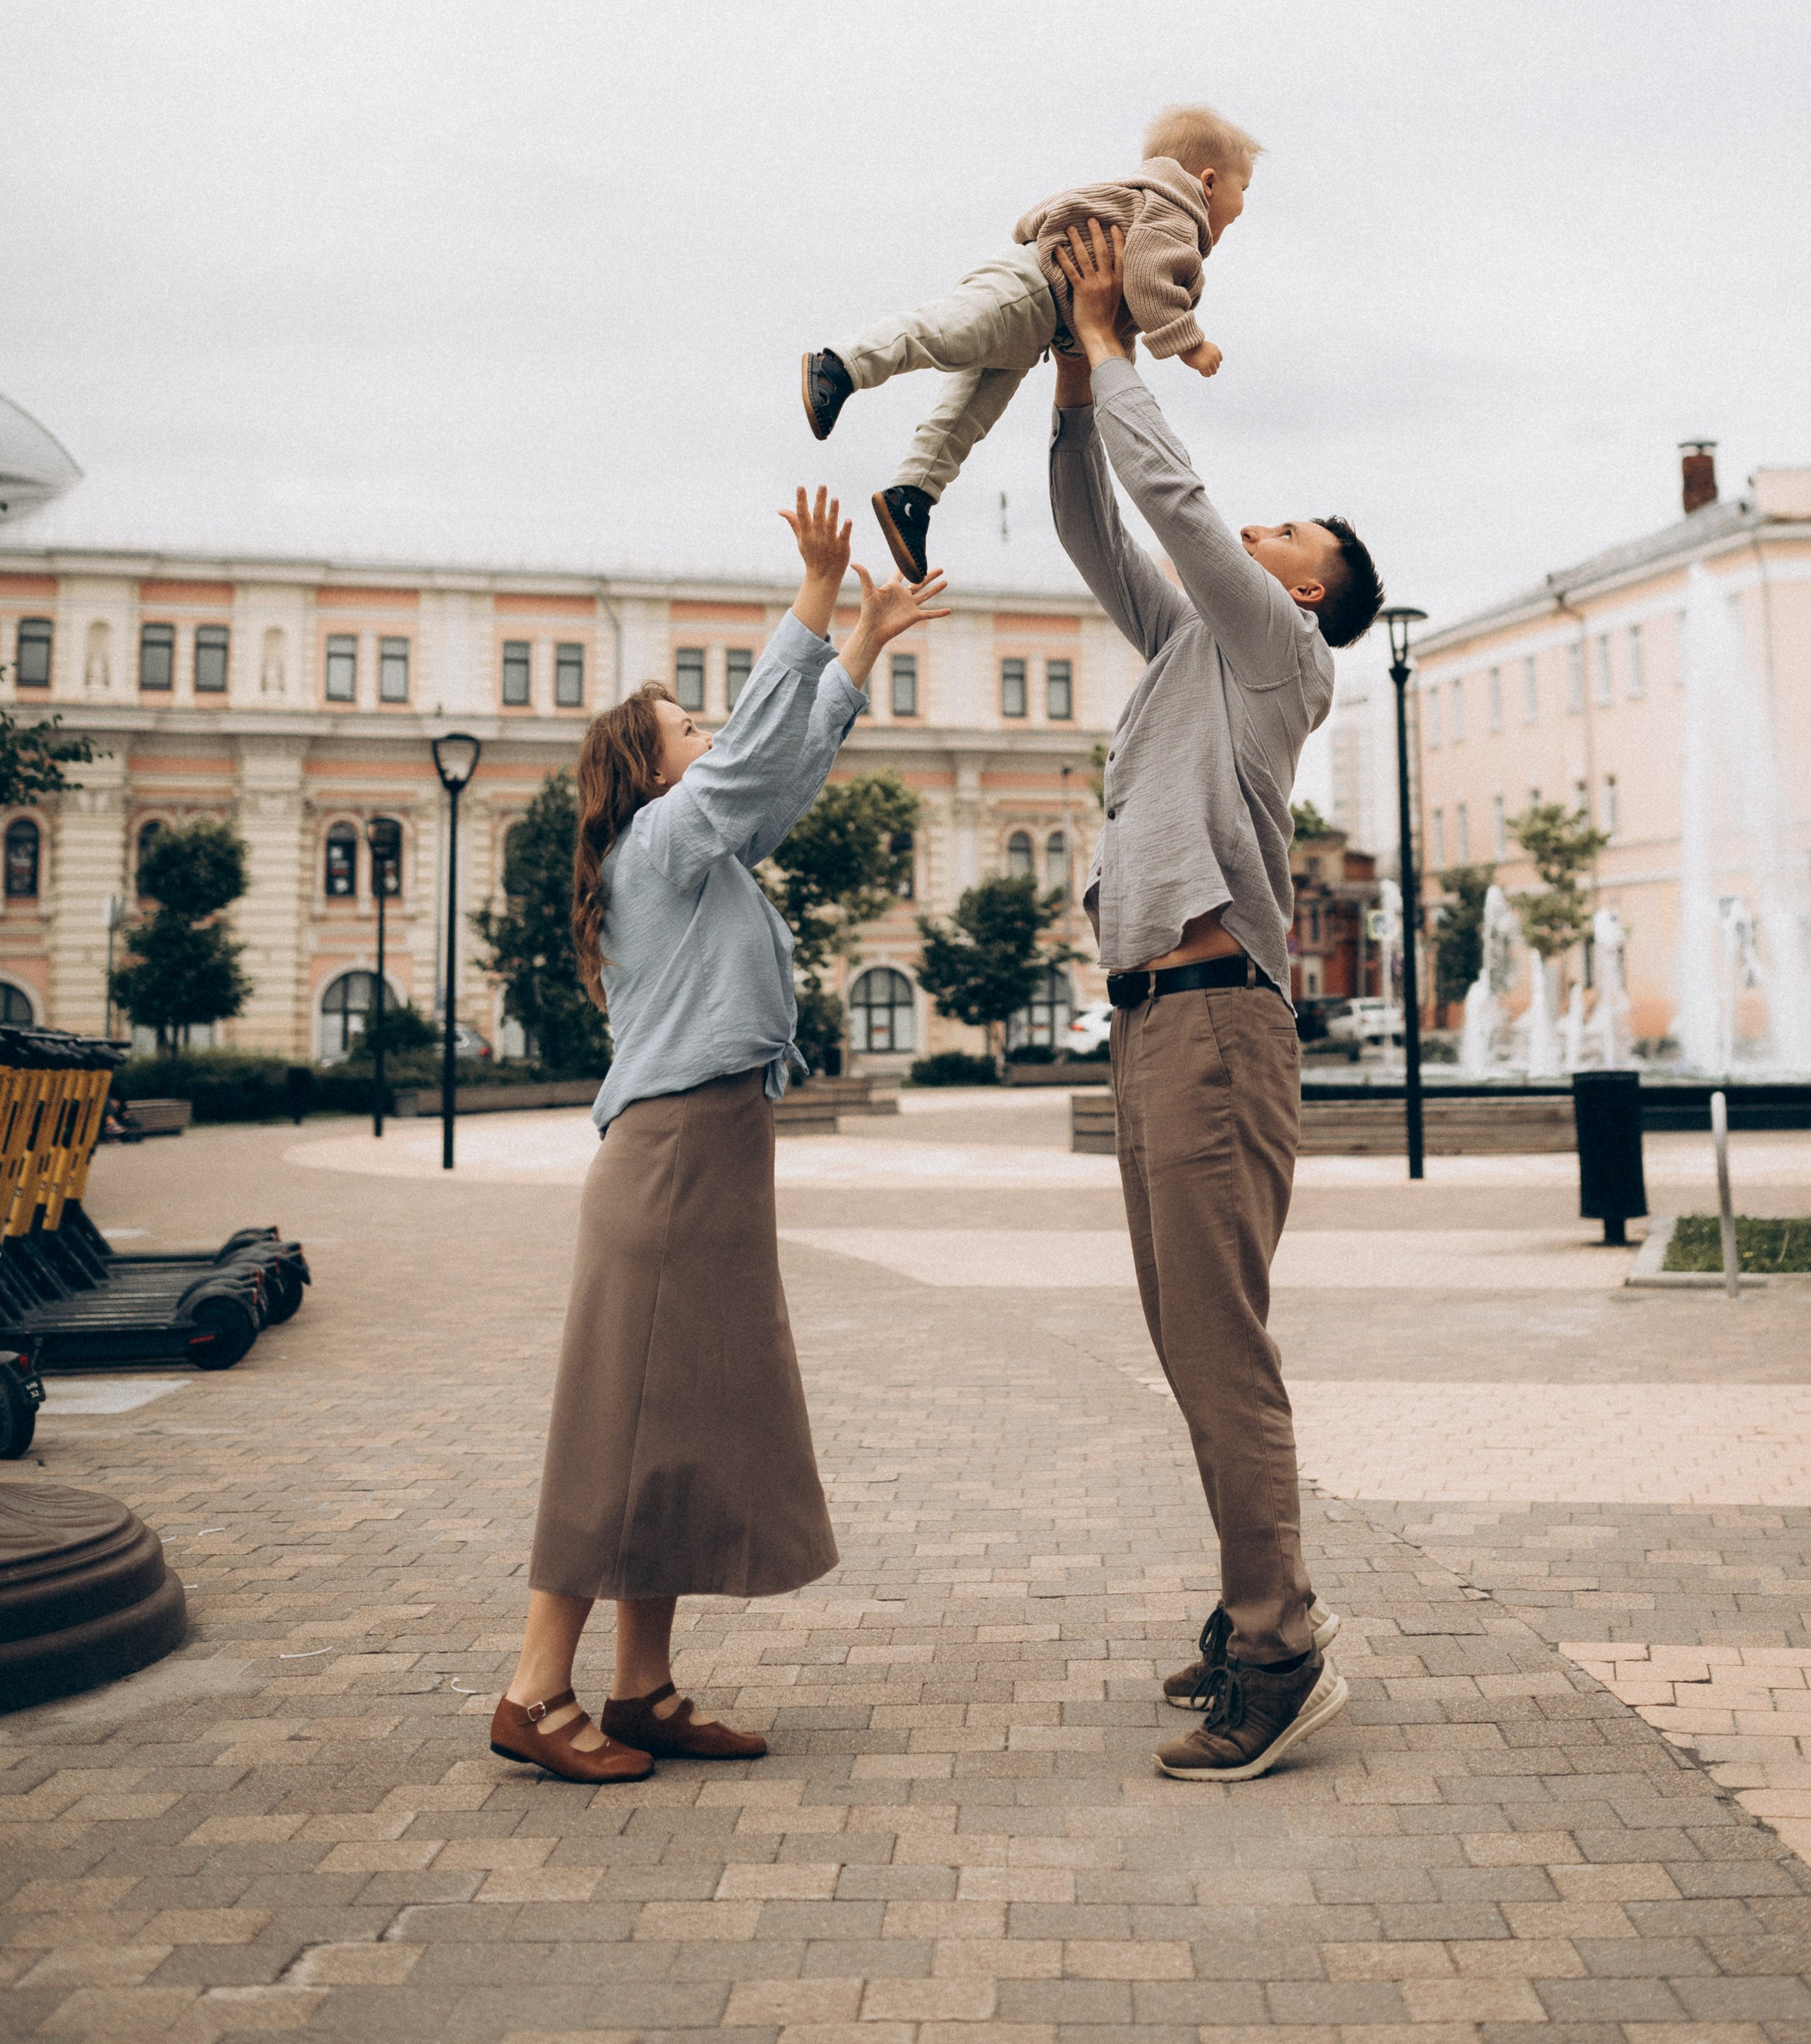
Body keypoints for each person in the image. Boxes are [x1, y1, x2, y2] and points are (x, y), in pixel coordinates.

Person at [490, 489, 947, 1783]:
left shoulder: (707, 852)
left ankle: (641, 1687)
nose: (711, 733)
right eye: (688, 724)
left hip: (715, 1151)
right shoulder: (660, 842)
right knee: (614, 1422)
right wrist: (813, 596)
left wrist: (860, 646)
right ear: (649, 765)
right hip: (675, 1157)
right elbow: (756, 756)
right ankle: (534, 1688)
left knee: (678, 1424)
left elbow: (778, 775)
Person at [1047, 216, 1384, 1784]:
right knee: (1186, 1339)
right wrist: (1064, 369)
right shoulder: (1194, 644)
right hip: (1152, 1022)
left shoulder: (1274, 653)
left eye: (1283, 532)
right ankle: (1250, 1609)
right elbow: (1102, 529)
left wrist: (1117, 338)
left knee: (1220, 1343)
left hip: (1214, 1022)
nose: (1253, 533)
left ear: (1311, 594)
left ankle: (1280, 1645)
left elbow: (1168, 500)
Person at [800, 103, 1262, 584]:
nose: (1244, 203)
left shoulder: (1132, 199)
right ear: (1207, 182)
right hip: (1033, 289)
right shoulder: (1176, 212)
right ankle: (839, 365)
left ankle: (911, 497)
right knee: (944, 334)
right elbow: (1147, 281)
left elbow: (1045, 219)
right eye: (1243, 188)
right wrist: (1189, 343)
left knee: (969, 411)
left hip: (1040, 308)